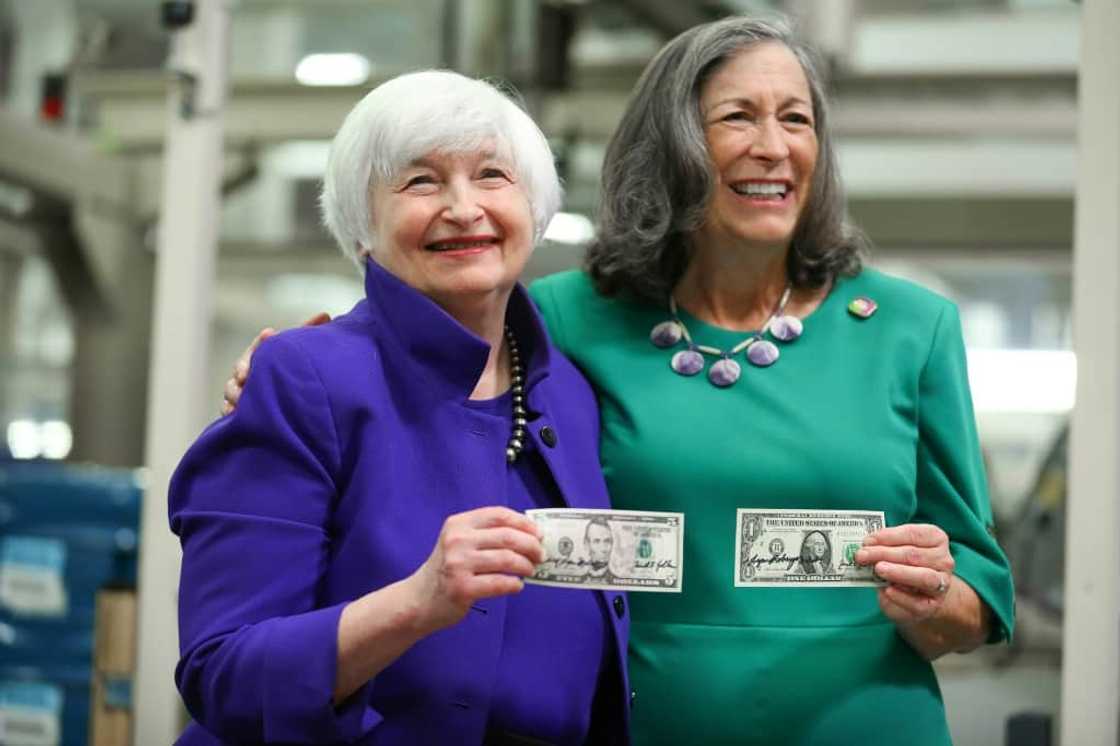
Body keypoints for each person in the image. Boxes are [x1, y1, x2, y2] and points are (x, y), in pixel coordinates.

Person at [224, 16, 1014, 745]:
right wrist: (294, 374)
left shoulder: (913, 329)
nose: (773, 146)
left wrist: (937, 600)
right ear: (673, 146)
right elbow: (420, 374)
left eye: (796, 119)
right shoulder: (562, 319)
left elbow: (980, 595)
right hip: (638, 725)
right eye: (738, 117)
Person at [171, 70, 630, 746]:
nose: (464, 207)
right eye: (421, 182)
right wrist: (417, 602)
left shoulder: (570, 393)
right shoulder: (306, 377)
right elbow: (225, 674)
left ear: (534, 209)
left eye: (492, 176)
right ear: (363, 229)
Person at [584, 517, 616, 582]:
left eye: (607, 541)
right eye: (596, 541)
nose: (603, 549)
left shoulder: (617, 582)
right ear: (587, 545)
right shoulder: (580, 580)